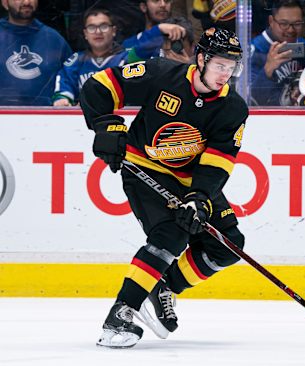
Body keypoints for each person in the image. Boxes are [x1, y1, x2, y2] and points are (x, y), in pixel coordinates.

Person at [79, 27, 248, 348]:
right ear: (202, 59)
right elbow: (98, 87)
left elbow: (219, 160)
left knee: (227, 246)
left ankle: (162, 287)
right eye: (220, 65)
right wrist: (107, 125)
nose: (226, 74)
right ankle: (121, 313)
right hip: (144, 167)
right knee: (170, 234)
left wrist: (199, 198)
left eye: (232, 67)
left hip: (190, 179)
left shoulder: (233, 107)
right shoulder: (160, 74)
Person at [53, 7, 179, 106]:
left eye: (104, 26)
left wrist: (158, 30)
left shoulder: (126, 58)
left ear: (113, 31)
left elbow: (143, 49)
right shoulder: (76, 61)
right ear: (85, 34)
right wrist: (62, 99)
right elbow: (64, 87)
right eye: (92, 27)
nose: (98, 32)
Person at [0, 0, 72, 105]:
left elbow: (71, 80)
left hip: (46, 118)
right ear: (5, 3)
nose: (27, 2)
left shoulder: (54, 39)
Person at [250, 0, 305, 106]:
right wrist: (267, 71)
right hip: (268, 119)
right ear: (271, 21)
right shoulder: (255, 49)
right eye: (284, 24)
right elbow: (249, 100)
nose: (291, 30)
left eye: (297, 24)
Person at [123, 0, 194, 64]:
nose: (163, 4)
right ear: (144, 7)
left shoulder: (182, 34)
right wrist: (157, 30)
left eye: (167, 0)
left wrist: (190, 66)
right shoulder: (129, 44)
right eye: (156, 0)